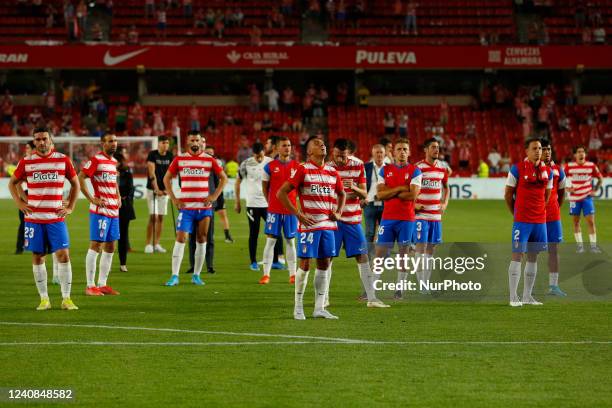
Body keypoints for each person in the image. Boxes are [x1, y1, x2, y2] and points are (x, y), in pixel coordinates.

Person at [8, 127, 80, 310]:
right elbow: (12, 183)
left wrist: (71, 206)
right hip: (34, 218)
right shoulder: (26, 162)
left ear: (50, 140)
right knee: (38, 256)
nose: (41, 142)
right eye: (37, 139)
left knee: (63, 255)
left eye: (44, 139)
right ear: (34, 142)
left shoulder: (63, 159)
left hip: (56, 218)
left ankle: (66, 299)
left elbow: (75, 183)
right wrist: (20, 202)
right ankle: (44, 299)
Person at [277, 136, 346, 320]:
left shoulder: (332, 171)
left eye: (323, 143)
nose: (322, 145)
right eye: (316, 144)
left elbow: (342, 193)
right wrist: (297, 214)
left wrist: (338, 212)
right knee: (305, 264)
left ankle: (319, 308)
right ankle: (298, 307)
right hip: (309, 227)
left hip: (328, 226)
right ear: (309, 152)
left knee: (324, 265)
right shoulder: (303, 169)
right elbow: (281, 192)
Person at [328, 139, 389, 308]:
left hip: (353, 220)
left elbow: (364, 193)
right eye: (337, 155)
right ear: (333, 152)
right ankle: (324, 298)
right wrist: (343, 195)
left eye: (343, 156)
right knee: (327, 259)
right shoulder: (328, 167)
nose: (339, 159)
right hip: (333, 221)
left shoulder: (358, 165)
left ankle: (371, 298)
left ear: (349, 153)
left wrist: (353, 188)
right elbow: (327, 197)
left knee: (362, 257)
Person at [163, 131, 227, 286]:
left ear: (200, 142)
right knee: (181, 239)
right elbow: (166, 178)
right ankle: (174, 276)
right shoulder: (180, 159)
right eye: (192, 140)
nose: (195, 142)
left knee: (202, 238)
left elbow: (224, 178)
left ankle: (196, 275)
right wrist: (174, 198)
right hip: (186, 208)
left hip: (204, 208)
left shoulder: (209, 160)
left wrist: (214, 196)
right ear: (187, 142)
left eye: (197, 140)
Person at [505, 138, 552, 307]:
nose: (538, 151)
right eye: (534, 148)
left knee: (533, 257)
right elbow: (508, 195)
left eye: (540, 148)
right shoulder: (516, 169)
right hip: (522, 221)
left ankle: (527, 296)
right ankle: (513, 297)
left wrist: (539, 211)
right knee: (517, 255)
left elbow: (546, 195)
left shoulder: (548, 171)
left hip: (539, 221)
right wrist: (516, 213)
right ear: (526, 151)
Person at [373, 139, 422, 300]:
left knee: (403, 255)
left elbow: (412, 195)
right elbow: (380, 195)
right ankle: (371, 290)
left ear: (409, 152)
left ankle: (399, 290)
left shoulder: (415, 171)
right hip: (387, 218)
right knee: (380, 254)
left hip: (406, 219)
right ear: (393, 152)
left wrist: (391, 191)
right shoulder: (384, 170)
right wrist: (401, 188)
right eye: (399, 149)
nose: (402, 152)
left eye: (405, 149)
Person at [79, 133, 121, 296]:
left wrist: (117, 195)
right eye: (110, 141)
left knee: (110, 247)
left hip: (113, 210)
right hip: (100, 211)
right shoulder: (96, 160)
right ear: (103, 143)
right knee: (96, 245)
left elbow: (113, 181)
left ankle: (102, 284)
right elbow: (80, 177)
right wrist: (91, 198)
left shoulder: (113, 162)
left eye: (115, 141)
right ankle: (90, 286)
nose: (114, 144)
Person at [260, 136, 299, 284]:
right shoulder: (269, 166)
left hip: (290, 211)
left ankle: (293, 274)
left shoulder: (296, 166)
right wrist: (270, 203)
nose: (287, 148)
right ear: (277, 148)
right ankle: (266, 274)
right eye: (284, 145)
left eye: (289, 145)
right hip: (274, 211)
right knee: (270, 242)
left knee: (290, 242)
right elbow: (265, 187)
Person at [413, 138, 450, 293]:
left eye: (438, 147)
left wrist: (445, 203)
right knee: (421, 247)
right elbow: (410, 189)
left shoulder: (442, 168)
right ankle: (421, 283)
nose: (437, 150)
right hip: (421, 215)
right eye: (433, 147)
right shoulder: (418, 168)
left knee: (431, 248)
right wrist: (414, 204)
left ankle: (425, 282)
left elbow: (446, 188)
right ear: (426, 150)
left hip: (436, 215)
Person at [235, 142, 272, 270]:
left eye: (261, 155)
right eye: (257, 156)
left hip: (268, 204)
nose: (260, 158)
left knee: (274, 232)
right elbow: (238, 182)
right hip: (252, 204)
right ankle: (253, 262)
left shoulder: (270, 163)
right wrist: (237, 202)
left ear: (264, 152)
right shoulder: (246, 164)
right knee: (254, 233)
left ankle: (276, 261)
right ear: (253, 154)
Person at [565, 145, 603, 253]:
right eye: (579, 152)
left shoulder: (591, 165)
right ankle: (580, 247)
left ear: (585, 154)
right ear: (575, 155)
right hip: (574, 199)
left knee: (591, 222)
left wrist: (595, 189)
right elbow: (560, 179)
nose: (581, 153)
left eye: (583, 152)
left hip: (587, 197)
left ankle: (593, 247)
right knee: (576, 222)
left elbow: (600, 178)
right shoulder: (569, 166)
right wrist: (567, 188)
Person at [541, 140, 567, 296]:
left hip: (553, 216)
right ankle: (529, 286)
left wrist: (556, 207)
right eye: (544, 149)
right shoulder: (532, 168)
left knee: (554, 250)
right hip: (535, 216)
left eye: (549, 149)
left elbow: (562, 192)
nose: (547, 152)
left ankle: (553, 286)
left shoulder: (558, 170)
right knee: (532, 251)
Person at [145, 136, 173, 254]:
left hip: (164, 191)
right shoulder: (153, 154)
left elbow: (171, 174)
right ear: (159, 144)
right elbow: (151, 173)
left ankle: (156, 243)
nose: (165, 145)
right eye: (163, 142)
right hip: (153, 190)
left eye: (167, 142)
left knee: (161, 217)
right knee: (153, 217)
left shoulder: (170, 156)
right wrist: (156, 188)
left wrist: (168, 190)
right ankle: (148, 244)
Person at [364, 144, 386, 260]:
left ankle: (384, 257)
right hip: (369, 204)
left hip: (385, 204)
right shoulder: (365, 167)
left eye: (381, 152)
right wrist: (362, 198)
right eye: (377, 152)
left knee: (384, 232)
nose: (379, 155)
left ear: (385, 154)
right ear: (372, 154)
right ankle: (368, 257)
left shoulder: (389, 168)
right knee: (369, 233)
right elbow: (360, 184)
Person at [115, 146, 135, 273]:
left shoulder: (127, 174)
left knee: (122, 236)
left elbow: (130, 190)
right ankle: (106, 262)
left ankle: (123, 263)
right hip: (109, 207)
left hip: (124, 208)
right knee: (108, 238)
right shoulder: (106, 173)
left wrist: (120, 198)